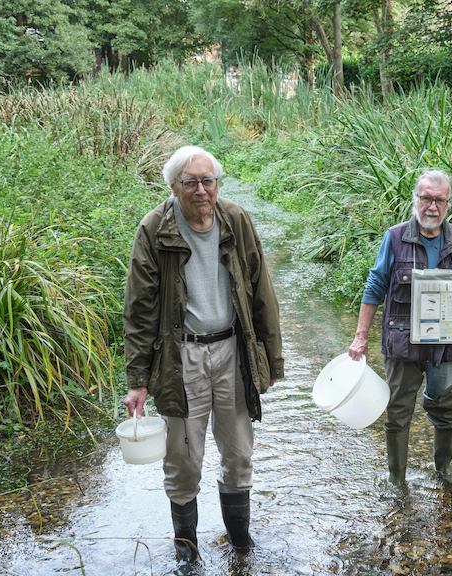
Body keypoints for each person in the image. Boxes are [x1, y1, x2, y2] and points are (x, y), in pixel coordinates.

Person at [122, 145, 283, 566]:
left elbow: (261, 288)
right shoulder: (155, 228)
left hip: (233, 350)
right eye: (190, 182)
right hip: (181, 358)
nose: (200, 190)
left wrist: (272, 357)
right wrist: (137, 380)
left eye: (207, 180)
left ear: (217, 184)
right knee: (183, 458)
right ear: (174, 186)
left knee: (239, 452)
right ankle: (187, 551)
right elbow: (139, 308)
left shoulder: (236, 220)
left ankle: (241, 545)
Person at [348, 169, 452, 487]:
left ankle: (444, 471)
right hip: (402, 344)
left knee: (448, 408)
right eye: (426, 198)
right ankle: (396, 481)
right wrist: (360, 337)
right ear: (416, 199)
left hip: (447, 344)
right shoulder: (395, 237)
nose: (432, 207)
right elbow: (374, 286)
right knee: (398, 412)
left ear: (448, 203)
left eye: (439, 200)